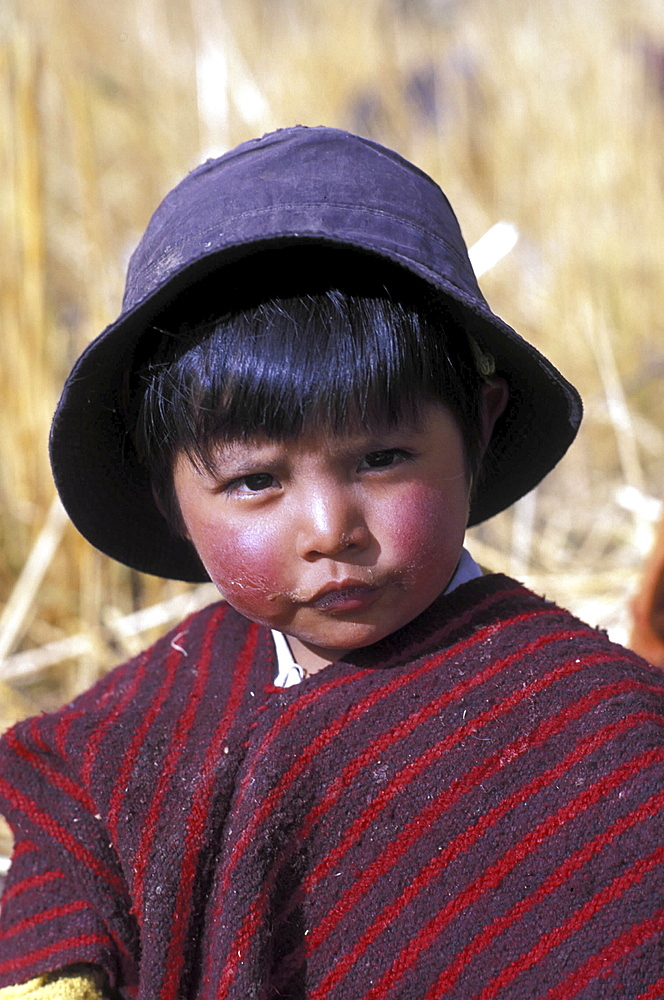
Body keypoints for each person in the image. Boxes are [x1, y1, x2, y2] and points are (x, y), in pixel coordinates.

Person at [0, 126, 662, 1000]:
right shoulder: (173, 690)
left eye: (381, 458)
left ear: (482, 424)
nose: (329, 527)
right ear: (168, 497)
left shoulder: (589, 732)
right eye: (254, 480)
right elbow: (71, 819)